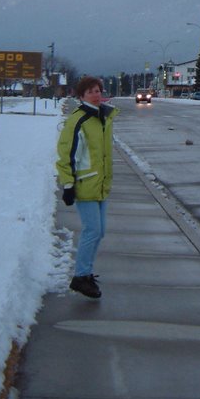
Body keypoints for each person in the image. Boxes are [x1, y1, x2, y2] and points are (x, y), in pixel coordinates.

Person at [56, 76, 119, 299]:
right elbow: (66, 155)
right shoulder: (78, 120)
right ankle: (80, 276)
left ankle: (86, 273)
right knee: (92, 230)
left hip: (100, 184)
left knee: (99, 231)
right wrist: (68, 184)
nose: (96, 94)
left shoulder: (102, 118)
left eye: (98, 90)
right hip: (84, 183)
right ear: (81, 96)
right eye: (91, 91)